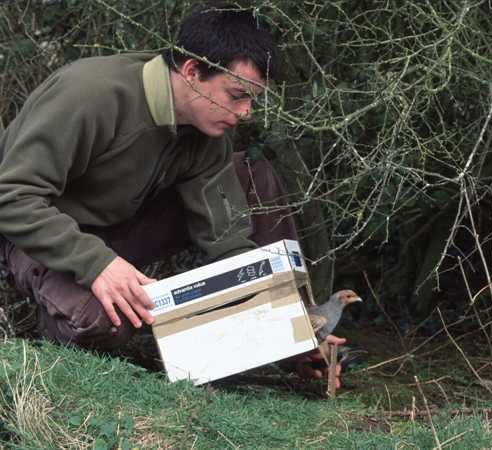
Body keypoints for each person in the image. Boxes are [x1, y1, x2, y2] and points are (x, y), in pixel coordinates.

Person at [0, 3, 343, 387]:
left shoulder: (208, 131)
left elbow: (229, 244)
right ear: (192, 71)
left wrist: (290, 327)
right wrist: (97, 264)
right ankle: (57, 322)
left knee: (253, 175)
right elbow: (12, 196)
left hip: (121, 230)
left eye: (253, 100)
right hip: (36, 232)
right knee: (102, 320)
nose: (246, 112)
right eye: (236, 95)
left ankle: (274, 347)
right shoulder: (89, 95)